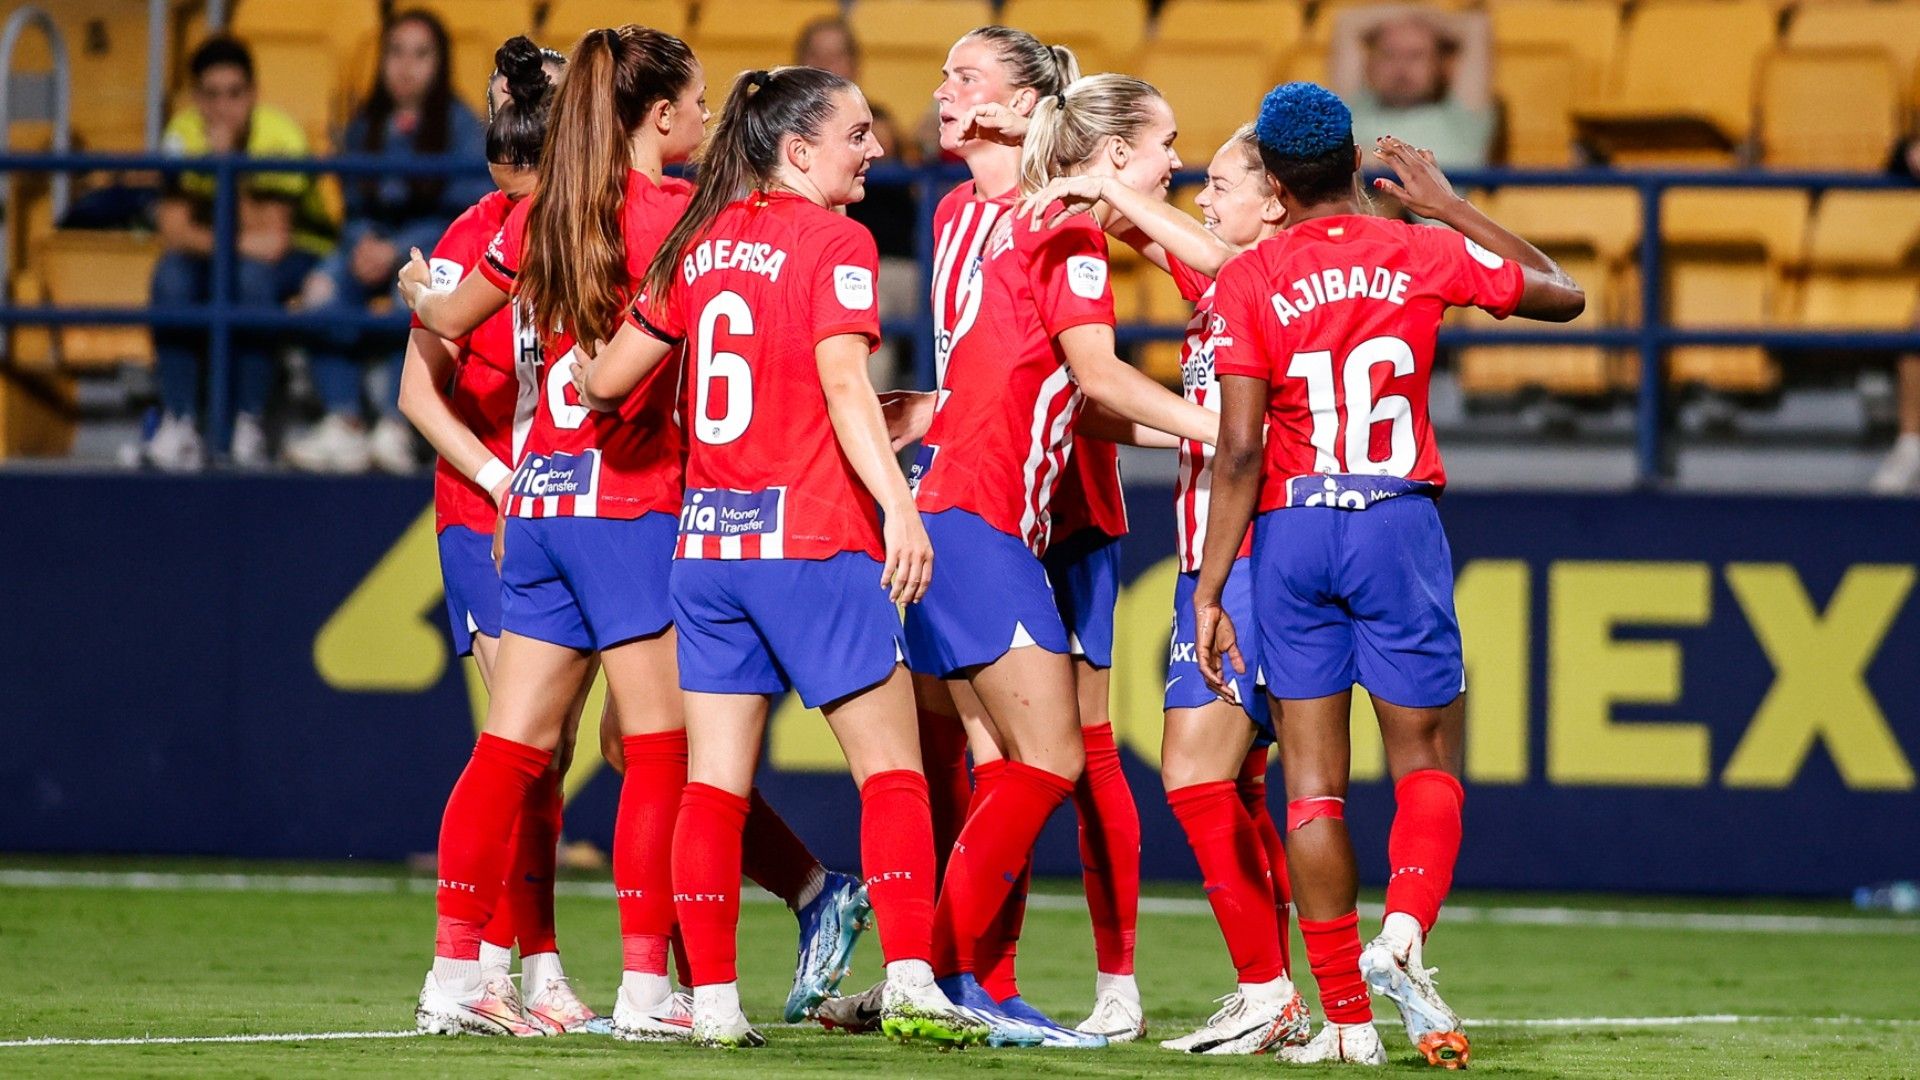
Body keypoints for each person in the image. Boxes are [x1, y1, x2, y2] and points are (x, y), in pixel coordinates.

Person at [400, 26, 868, 1042]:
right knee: (659, 752)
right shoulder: (682, 215)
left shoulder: (539, 214)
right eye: (696, 106)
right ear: (660, 117)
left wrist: (418, 294)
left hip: (536, 502)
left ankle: (454, 976)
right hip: (630, 499)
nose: (704, 123)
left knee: (513, 746)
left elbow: (446, 315)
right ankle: (650, 993)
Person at [577, 64, 986, 1050]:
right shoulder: (837, 241)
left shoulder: (698, 243)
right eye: (856, 132)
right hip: (810, 541)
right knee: (891, 773)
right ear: (797, 151)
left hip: (709, 549)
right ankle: (917, 980)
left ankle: (713, 1002)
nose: (876, 148)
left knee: (713, 781)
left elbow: (603, 382)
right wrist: (901, 508)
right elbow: (844, 385)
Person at [1194, 82, 1584, 1067]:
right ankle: (1404, 933)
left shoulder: (1248, 278)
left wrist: (1208, 591)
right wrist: (1445, 203)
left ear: (1274, 182)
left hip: (1290, 532)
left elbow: (1238, 453)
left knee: (1314, 789)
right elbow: (1561, 293)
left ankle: (1348, 1027)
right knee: (1424, 762)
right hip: (1393, 522)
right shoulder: (1418, 250)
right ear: (1354, 161)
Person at [900, 72, 1218, 1049]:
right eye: (1165, 142)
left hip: (965, 520)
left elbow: (1084, 397)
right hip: (982, 526)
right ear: (1117, 152)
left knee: (1021, 763)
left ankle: (954, 977)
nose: (1177, 161)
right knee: (1048, 759)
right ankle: (938, 971)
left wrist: (1202, 438)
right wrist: (1225, 427)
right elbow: (1098, 374)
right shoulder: (1072, 239)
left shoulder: (1032, 227)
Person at [1018, 120, 1310, 1055]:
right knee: (1245, 788)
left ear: (1275, 201)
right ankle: (1291, 995)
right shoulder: (1222, 281)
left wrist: (1113, 193)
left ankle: (1272, 992)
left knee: (1191, 775)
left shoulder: (1278, 277)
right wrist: (1074, 171)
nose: (1201, 196)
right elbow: (1157, 238)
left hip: (1259, 556)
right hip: (1220, 559)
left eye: (1219, 183)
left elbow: (1210, 252)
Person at [394, 36, 601, 1034]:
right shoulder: (482, 229)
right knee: (523, 739)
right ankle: (484, 960)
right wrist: (497, 478)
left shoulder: (580, 229)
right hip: (491, 514)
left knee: (550, 748)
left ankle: (535, 959)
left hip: (564, 509)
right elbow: (414, 390)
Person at [289, 8, 488, 475]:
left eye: (421, 54)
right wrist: (363, 245)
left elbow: (463, 215)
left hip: (434, 251)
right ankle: (345, 421)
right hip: (367, 248)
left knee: (419, 303)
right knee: (320, 291)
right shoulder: (364, 125)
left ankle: (401, 429)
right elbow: (355, 208)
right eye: (395, 53)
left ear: (441, 63)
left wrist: (396, 250)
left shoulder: (463, 128)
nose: (405, 66)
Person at [144, 35, 334, 471]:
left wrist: (226, 166)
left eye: (234, 94)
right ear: (195, 98)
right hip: (222, 251)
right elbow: (172, 231)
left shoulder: (280, 136)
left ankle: (249, 421)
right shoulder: (181, 136)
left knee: (250, 278)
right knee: (172, 276)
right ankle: (180, 422)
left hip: (301, 250)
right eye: (210, 96)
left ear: (252, 94)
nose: (222, 108)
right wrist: (221, 247)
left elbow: (274, 242)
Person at [793, 16, 918, 389]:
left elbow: (887, 142)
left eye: (838, 55)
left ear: (856, 64)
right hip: (804, 261)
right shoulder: (774, 129)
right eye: (817, 55)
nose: (828, 65)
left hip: (888, 264)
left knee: (859, 302)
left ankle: (865, 421)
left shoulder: (876, 122)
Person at [1328, 4, 1494, 171]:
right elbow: (1347, 24)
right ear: (1371, 64)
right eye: (1389, 54)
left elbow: (1476, 28)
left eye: (1416, 55)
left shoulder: (1462, 121)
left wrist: (1414, 15)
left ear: (1438, 64)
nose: (1401, 67)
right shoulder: (1351, 112)